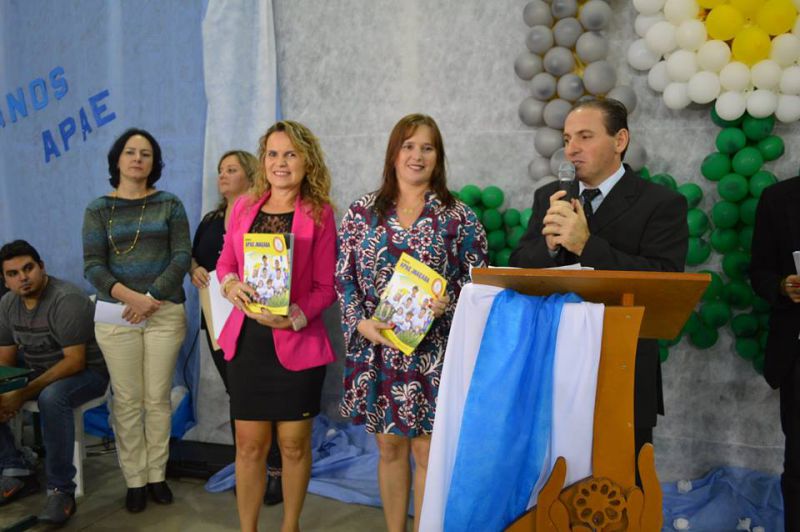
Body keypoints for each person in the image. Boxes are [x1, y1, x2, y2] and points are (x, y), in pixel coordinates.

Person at [509, 98, 688, 464]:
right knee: (555, 474)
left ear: (620, 140)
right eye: (567, 139)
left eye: (585, 137)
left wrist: (587, 246)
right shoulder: (550, 197)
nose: (571, 149)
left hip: (623, 365)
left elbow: (664, 279)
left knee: (621, 479)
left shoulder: (661, 203)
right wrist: (548, 247)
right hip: (555, 361)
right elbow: (518, 266)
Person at [336, 113, 488, 532]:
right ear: (394, 153)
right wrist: (360, 323)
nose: (417, 155)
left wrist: (449, 302)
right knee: (388, 447)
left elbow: (479, 284)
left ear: (438, 157)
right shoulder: (362, 213)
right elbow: (343, 278)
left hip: (433, 353)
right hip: (377, 347)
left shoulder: (459, 217)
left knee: (426, 452)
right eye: (408, 146)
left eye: (427, 147)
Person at [216, 120, 337, 532]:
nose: (280, 162)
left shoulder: (319, 213)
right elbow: (225, 264)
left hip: (296, 344)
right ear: (263, 159)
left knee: (293, 445)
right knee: (249, 446)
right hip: (248, 344)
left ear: (307, 161)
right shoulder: (243, 207)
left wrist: (293, 317)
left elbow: (326, 288)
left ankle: (290, 526)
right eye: (272, 153)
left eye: (290, 154)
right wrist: (231, 286)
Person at [82, 128, 191, 513]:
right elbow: (92, 266)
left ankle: (157, 475)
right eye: (130, 152)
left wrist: (150, 298)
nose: (138, 159)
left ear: (154, 162)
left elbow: (181, 257)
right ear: (117, 159)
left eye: (146, 153)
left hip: (164, 313)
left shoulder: (169, 204)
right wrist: (132, 299)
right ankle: (135, 480)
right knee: (127, 400)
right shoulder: (98, 209)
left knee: (157, 398)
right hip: (117, 315)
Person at [189, 150, 284, 505]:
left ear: (251, 174)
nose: (222, 175)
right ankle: (247, 467)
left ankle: (276, 470)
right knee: (238, 395)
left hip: (257, 318)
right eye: (220, 170)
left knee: (266, 396)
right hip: (216, 316)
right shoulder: (211, 220)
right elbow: (194, 256)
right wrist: (194, 269)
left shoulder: (264, 214)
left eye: (231, 169)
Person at [0, 240, 109, 526]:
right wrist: (7, 391)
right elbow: (6, 364)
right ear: (5, 280)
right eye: (13, 274)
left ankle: (61, 491)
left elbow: (75, 362)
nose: (23, 277)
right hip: (38, 370)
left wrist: (21, 393)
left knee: (51, 397)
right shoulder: (7, 304)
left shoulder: (66, 299)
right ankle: (15, 469)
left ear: (41, 267)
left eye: (28, 268)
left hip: (88, 374)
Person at [749, 175, 800, 531]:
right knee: (798, 465)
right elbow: (760, 271)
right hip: (797, 352)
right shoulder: (779, 198)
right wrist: (782, 286)